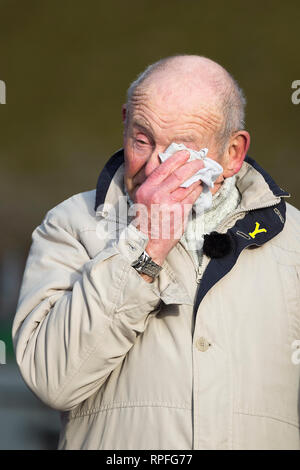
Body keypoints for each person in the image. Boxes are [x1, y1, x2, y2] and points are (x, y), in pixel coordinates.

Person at [12, 55, 300, 450]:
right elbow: (53, 381)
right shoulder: (70, 225)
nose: (153, 170)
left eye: (181, 150)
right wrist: (146, 242)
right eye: (142, 140)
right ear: (126, 122)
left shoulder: (294, 242)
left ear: (232, 153)